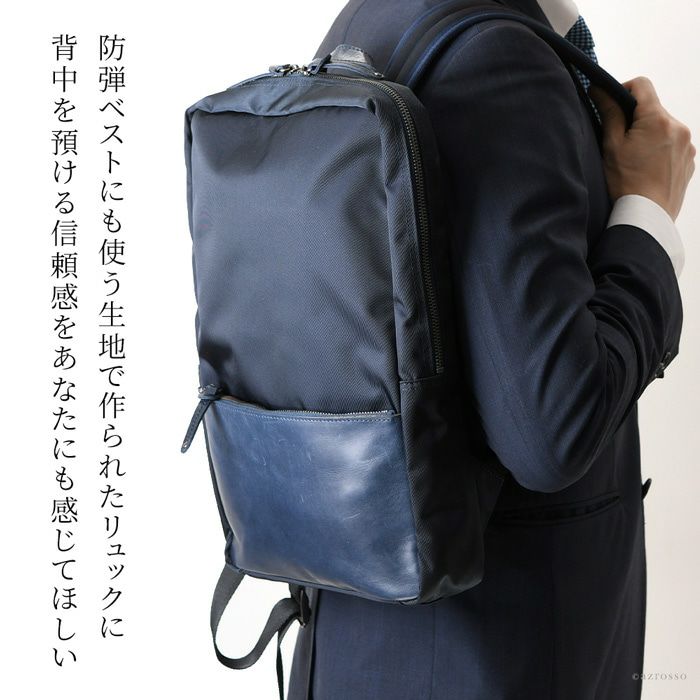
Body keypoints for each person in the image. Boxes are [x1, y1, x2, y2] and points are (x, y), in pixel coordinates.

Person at [287, 1, 695, 698]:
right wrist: (649, 213)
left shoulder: (375, 17)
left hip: (360, 636)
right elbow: (551, 432)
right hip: (491, 656)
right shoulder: (499, 58)